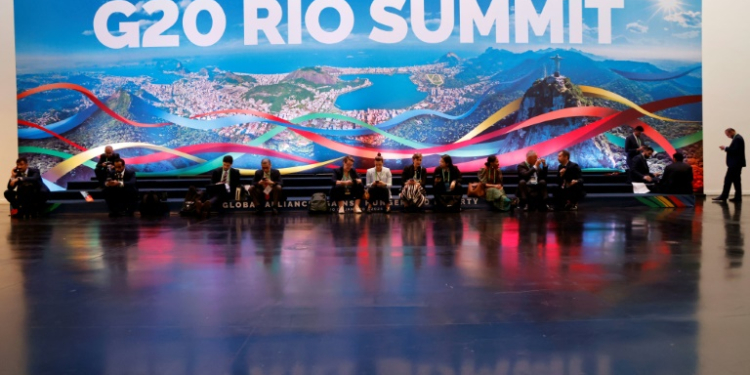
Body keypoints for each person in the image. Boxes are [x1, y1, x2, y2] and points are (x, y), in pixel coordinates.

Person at [714, 128, 746, 203]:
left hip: (735, 164)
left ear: (731, 132)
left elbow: (735, 151)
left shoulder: (737, 138)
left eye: (728, 134)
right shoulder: (738, 138)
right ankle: (737, 197)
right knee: (736, 181)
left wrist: (725, 148)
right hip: (737, 164)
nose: (728, 136)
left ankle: (724, 196)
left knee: (728, 180)